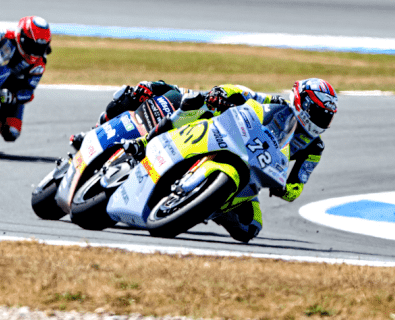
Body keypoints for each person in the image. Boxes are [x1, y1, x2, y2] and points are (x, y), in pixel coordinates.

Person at [116, 78, 338, 244]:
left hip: (250, 169)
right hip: (228, 136)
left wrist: (284, 190)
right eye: (319, 113)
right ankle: (144, 142)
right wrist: (222, 93)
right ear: (302, 103)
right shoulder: (277, 103)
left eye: (327, 116)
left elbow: (297, 186)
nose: (322, 121)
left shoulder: (314, 148)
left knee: (250, 227)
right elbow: (244, 92)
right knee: (198, 105)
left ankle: (209, 202)